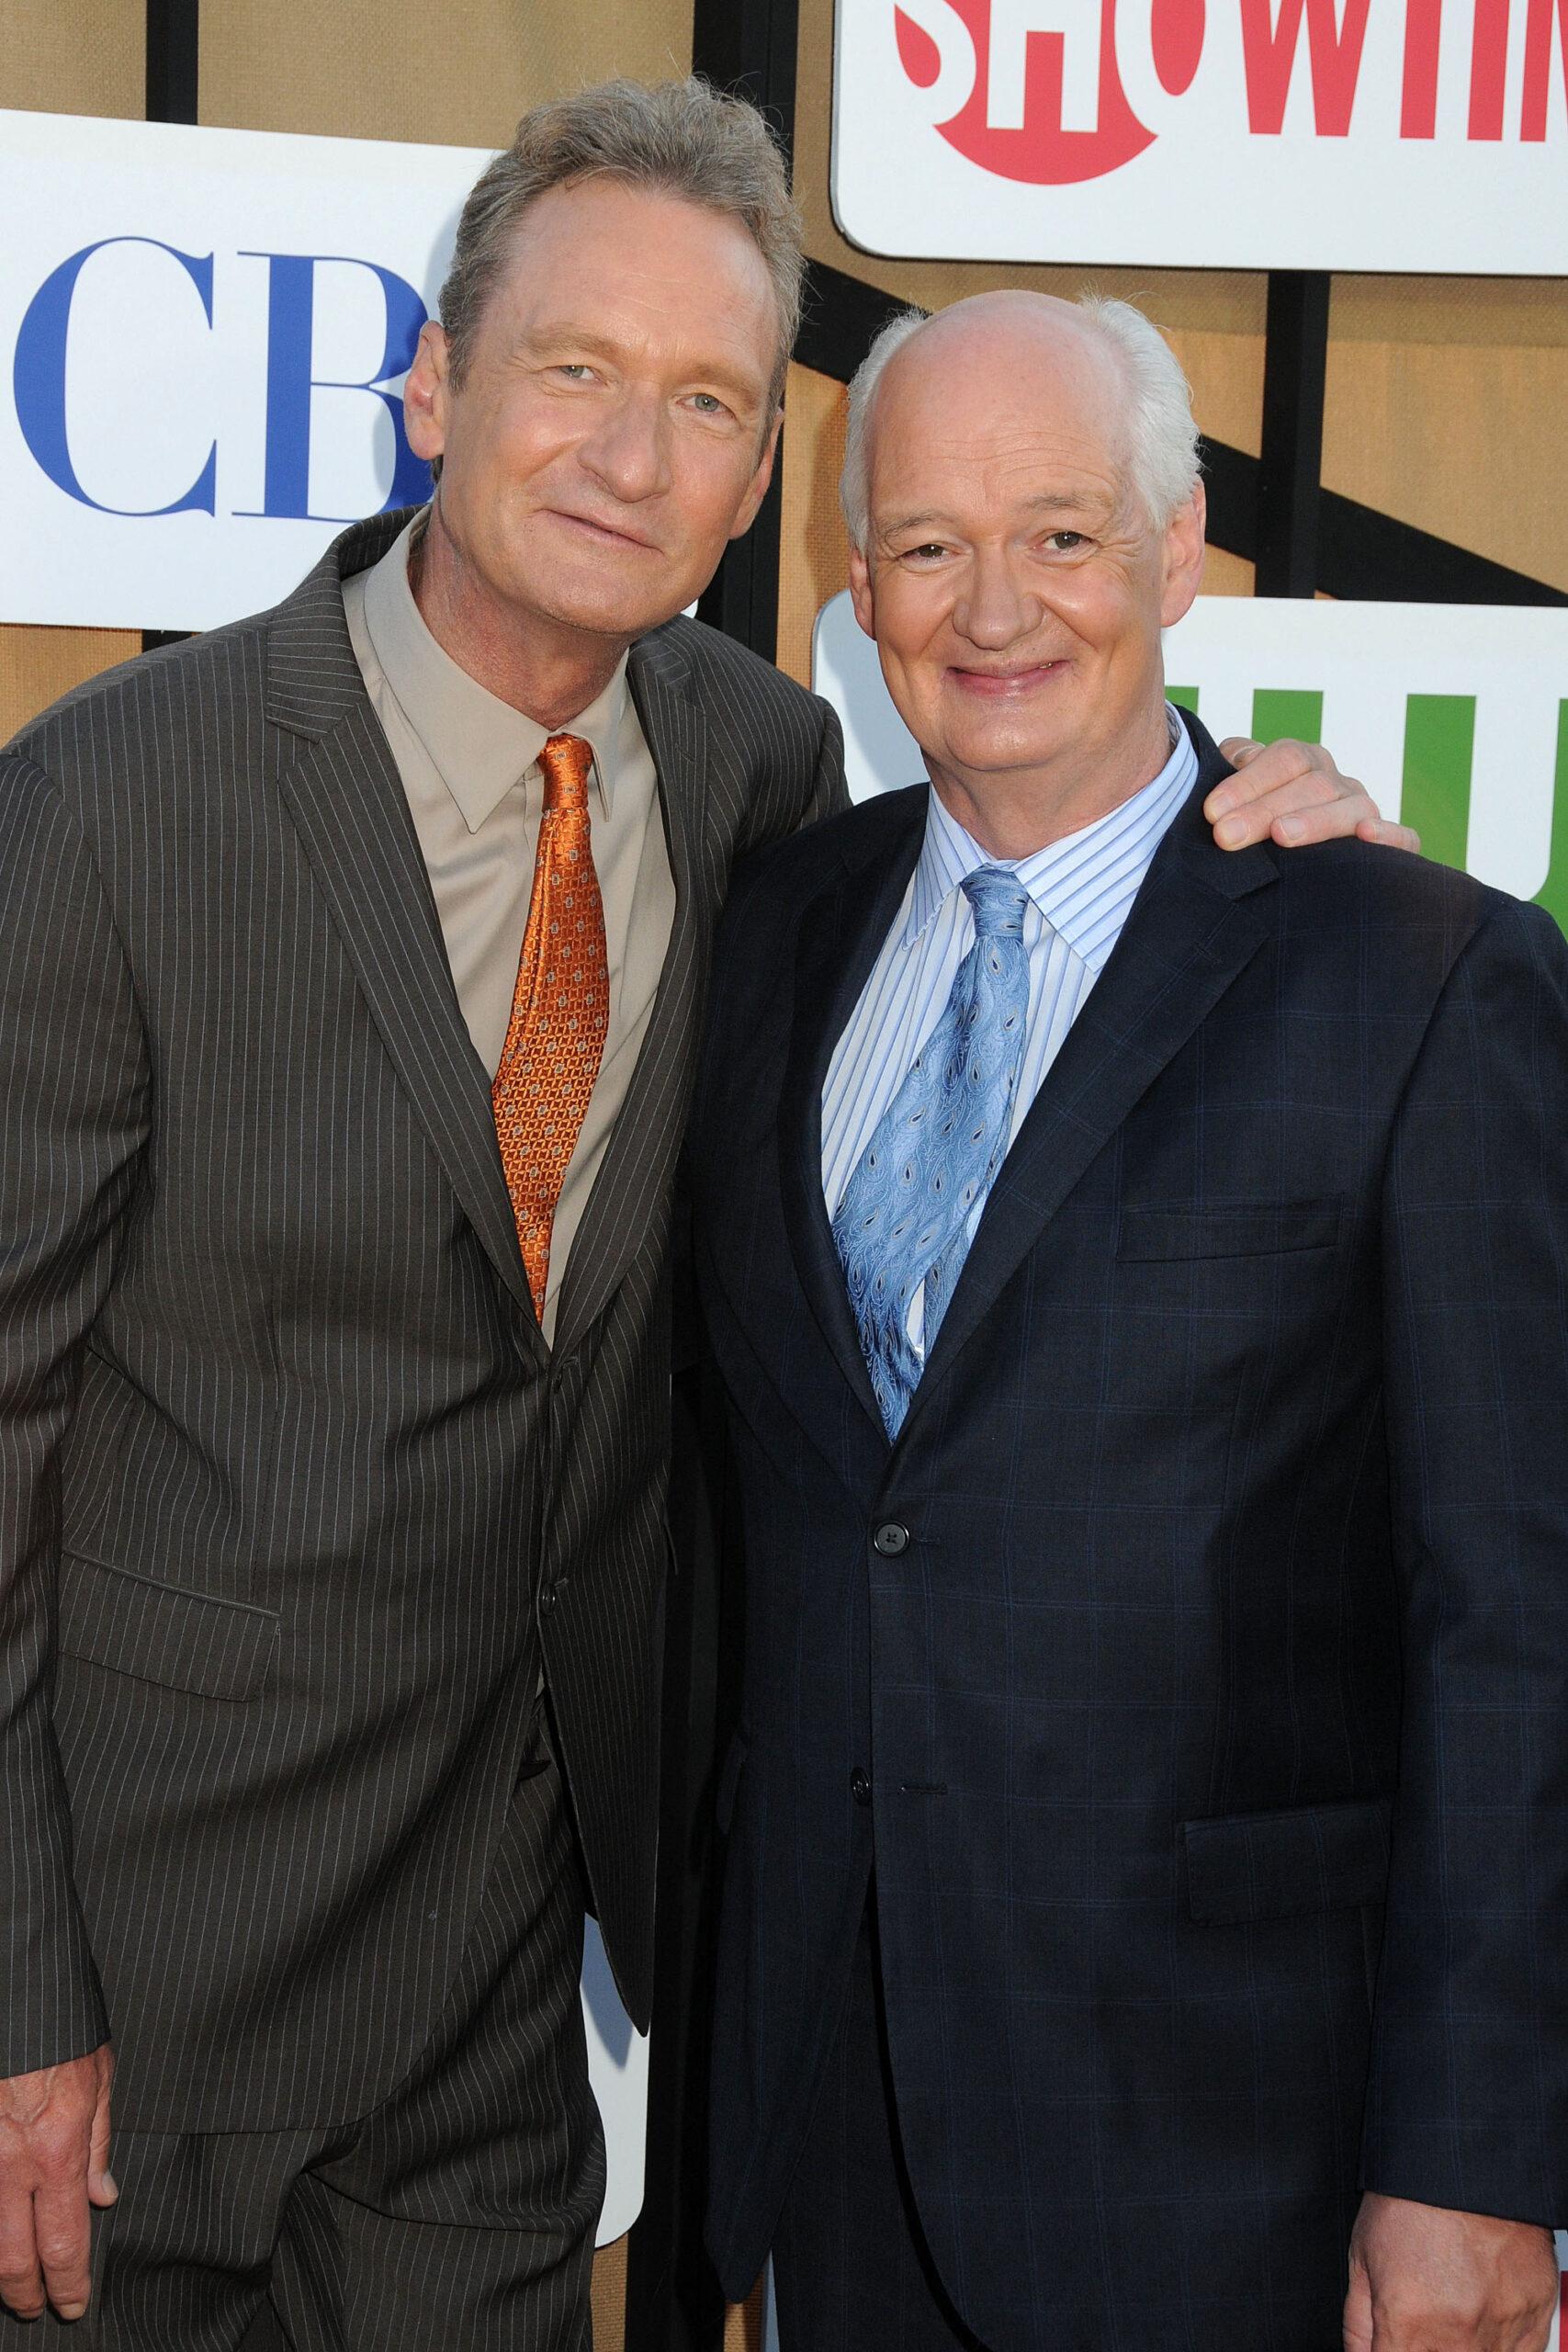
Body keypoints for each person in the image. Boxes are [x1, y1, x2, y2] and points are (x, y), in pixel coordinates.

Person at [0, 77, 1399, 2351]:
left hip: (501, 2028)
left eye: (706, 403)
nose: (630, 460)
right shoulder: (110, 808)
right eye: (570, 372)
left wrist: (1238, 799)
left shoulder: (764, 777)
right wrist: (16, 1999)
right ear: (435, 382)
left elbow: (1047, 754)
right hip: (140, 2011)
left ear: (763, 476)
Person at [691, 289, 1568, 2352]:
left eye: (1063, 533)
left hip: (1232, 2145)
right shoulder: (774, 931)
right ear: (853, 586)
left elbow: (1515, 1613)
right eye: (923, 543)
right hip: (829, 2092)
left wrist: (1475, 2155)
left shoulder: (1412, 972)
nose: (992, 605)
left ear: (1181, 551)